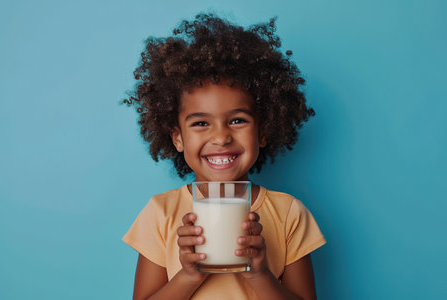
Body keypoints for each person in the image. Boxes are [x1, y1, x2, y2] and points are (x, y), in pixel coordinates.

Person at [122, 13, 326, 300]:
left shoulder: (289, 213)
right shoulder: (161, 213)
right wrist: (189, 275)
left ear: (263, 131)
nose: (221, 137)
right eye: (201, 123)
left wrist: (259, 274)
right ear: (177, 137)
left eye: (238, 120)